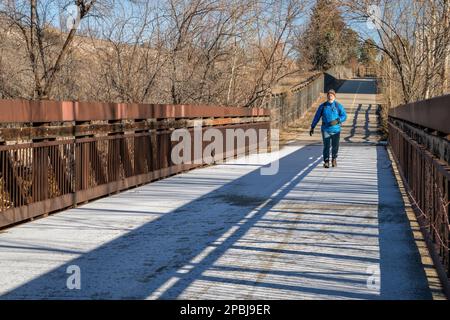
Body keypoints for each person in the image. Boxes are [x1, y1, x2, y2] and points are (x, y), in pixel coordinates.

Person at [309, 89, 347, 168]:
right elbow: (317, 117)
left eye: (332, 95)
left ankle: (334, 159)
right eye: (329, 95)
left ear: (334, 96)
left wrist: (338, 120)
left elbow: (344, 115)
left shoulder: (338, 106)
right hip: (325, 130)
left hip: (336, 130)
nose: (330, 96)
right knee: (326, 146)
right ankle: (326, 161)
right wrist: (312, 126)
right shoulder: (323, 106)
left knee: (335, 146)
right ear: (327, 96)